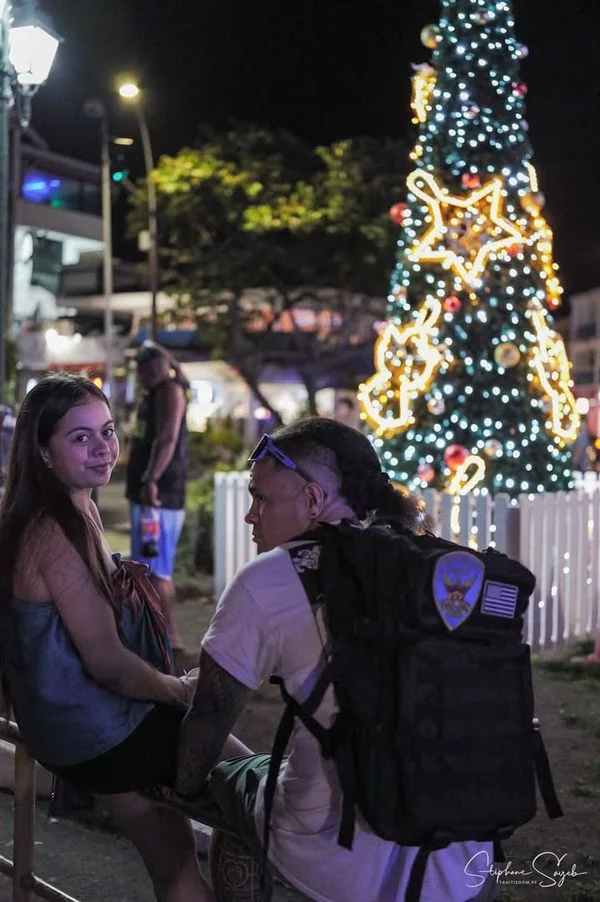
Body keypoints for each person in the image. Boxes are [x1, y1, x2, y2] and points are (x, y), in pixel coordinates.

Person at [176, 417, 497, 902]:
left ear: (312, 500)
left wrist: (183, 788)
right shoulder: (430, 563)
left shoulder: (267, 579)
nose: (250, 515)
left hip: (341, 859)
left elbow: (208, 719)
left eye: (261, 498)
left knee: (232, 789)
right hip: (465, 861)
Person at [0, 374, 212, 902]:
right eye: (81, 437)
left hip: (72, 719)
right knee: (245, 781)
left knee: (179, 851)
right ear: (44, 452)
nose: (104, 449)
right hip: (91, 727)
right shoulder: (53, 530)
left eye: (109, 431)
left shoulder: (77, 508)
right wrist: (180, 689)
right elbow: (107, 663)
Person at [125, 342, 190, 669]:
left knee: (156, 568)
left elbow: (167, 437)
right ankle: (158, 635)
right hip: (151, 494)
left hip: (159, 496)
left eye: (144, 369)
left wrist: (151, 479)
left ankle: (170, 637)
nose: (142, 376)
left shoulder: (170, 391)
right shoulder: (162, 390)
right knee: (148, 566)